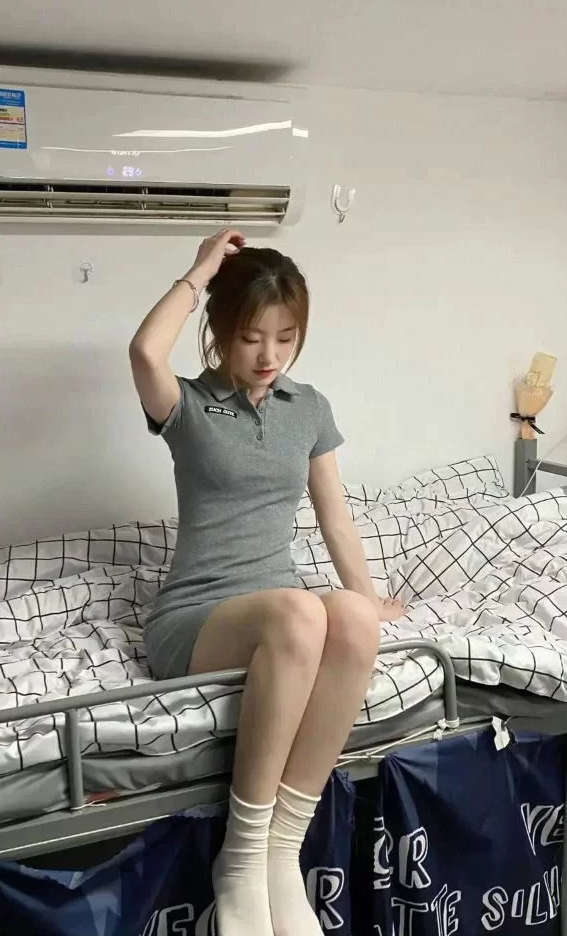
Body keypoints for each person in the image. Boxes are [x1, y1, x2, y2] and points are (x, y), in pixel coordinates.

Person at [130, 229, 403, 936]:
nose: (268, 356)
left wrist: (368, 599)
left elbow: (335, 516)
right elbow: (145, 352)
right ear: (221, 330)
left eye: (285, 338)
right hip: (198, 616)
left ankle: (283, 852)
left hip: (282, 611)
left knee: (350, 617)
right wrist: (199, 271)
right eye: (251, 337)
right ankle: (242, 856)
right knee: (301, 613)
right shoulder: (187, 405)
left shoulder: (308, 408)